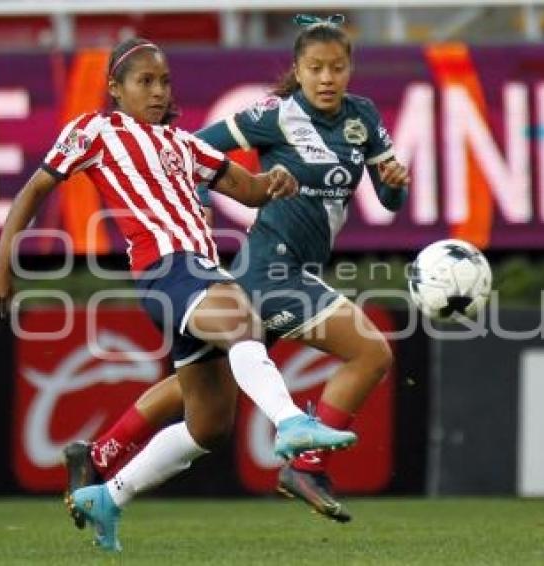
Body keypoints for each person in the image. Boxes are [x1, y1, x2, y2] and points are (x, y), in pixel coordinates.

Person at [0, 37, 357, 552]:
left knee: (210, 426)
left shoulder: (185, 145)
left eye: (163, 81)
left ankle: (109, 496)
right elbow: (35, 189)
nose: (157, 91)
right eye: (144, 81)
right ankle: (291, 423)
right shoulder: (96, 130)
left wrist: (276, 179)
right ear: (115, 89)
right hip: (169, 269)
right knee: (243, 322)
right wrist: (3, 262)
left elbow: (247, 190)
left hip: (199, 270)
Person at [64, 14, 410, 524]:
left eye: (337, 67)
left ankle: (98, 458)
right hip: (271, 272)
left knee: (198, 390)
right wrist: (196, 196)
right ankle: (306, 465)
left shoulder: (363, 117)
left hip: (284, 272)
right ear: (298, 69)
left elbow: (389, 197)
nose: (327, 78)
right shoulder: (275, 114)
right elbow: (190, 148)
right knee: (371, 351)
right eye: (315, 68)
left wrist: (395, 181)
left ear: (349, 69)